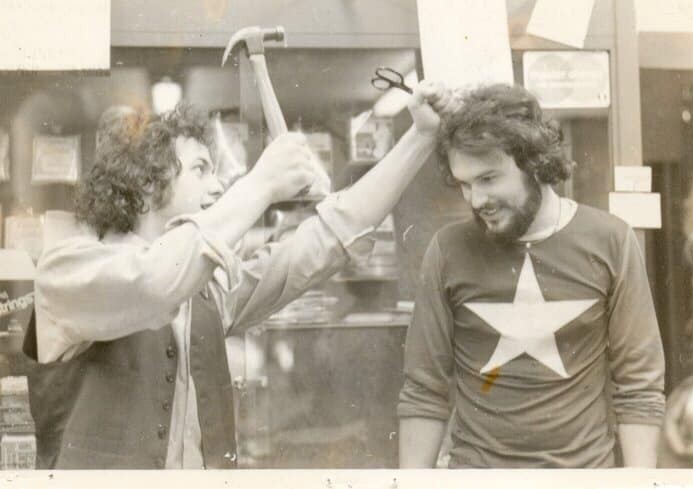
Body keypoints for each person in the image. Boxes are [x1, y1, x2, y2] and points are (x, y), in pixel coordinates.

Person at [26, 80, 451, 469]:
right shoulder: (65, 270)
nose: (217, 186)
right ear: (146, 183)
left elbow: (330, 236)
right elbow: (153, 282)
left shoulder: (208, 289)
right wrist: (261, 183)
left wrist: (420, 137)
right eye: (200, 169)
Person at [397, 84, 666, 468]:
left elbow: (639, 386)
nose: (476, 200)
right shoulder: (448, 250)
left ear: (535, 164)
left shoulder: (611, 241)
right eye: (464, 185)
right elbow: (424, 390)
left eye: (488, 179)